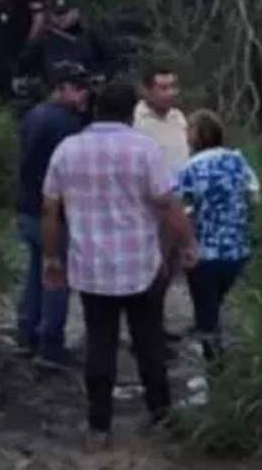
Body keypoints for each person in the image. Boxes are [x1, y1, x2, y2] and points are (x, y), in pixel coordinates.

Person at [41, 81, 197, 448]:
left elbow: (49, 208)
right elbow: (167, 204)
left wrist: (51, 258)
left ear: (94, 110)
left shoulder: (68, 149)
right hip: (141, 265)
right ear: (131, 112)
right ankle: (160, 415)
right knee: (149, 341)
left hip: (91, 267)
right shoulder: (144, 149)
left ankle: (99, 426)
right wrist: (187, 243)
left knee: (100, 344)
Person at [15, 66, 91, 368]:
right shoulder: (66, 123)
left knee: (35, 270)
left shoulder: (33, 115)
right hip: (53, 212)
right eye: (80, 89)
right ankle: (50, 343)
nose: (85, 96)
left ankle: (26, 332)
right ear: (63, 87)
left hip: (27, 206)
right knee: (56, 273)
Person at [174, 110, 259, 361]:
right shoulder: (238, 161)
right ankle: (217, 360)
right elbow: (254, 195)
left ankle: (213, 373)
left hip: (204, 252)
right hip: (237, 249)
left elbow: (181, 209)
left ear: (197, 135)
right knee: (216, 304)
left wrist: (182, 245)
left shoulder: (191, 168)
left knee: (206, 315)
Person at [134, 66, 191, 341]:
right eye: (163, 87)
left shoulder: (178, 118)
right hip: (151, 208)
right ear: (146, 90)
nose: (171, 93)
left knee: (170, 269)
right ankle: (145, 331)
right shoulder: (137, 120)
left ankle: (157, 324)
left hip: (179, 204)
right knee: (152, 271)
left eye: (173, 87)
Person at [18, 0, 118, 86]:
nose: (59, 18)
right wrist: (36, 30)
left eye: (64, 13)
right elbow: (25, 63)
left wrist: (103, 76)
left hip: (86, 89)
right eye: (55, 14)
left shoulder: (92, 34)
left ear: (76, 11)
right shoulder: (45, 38)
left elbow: (112, 59)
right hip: (55, 92)